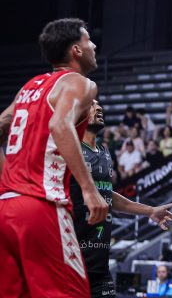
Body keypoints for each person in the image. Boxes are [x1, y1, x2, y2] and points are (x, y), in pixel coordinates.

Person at [0, 18, 108, 297]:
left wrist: (8, 178)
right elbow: (60, 125)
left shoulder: (29, 87)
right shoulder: (80, 83)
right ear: (76, 50)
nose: (94, 46)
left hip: (6, 208)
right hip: (41, 206)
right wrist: (90, 190)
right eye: (88, 40)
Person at [72, 100, 172, 298]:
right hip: (73, 258)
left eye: (99, 105)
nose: (98, 108)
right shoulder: (70, 149)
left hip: (100, 262)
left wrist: (150, 211)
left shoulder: (104, 152)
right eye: (91, 105)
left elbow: (107, 194)